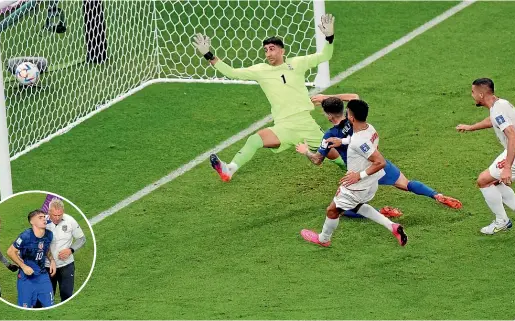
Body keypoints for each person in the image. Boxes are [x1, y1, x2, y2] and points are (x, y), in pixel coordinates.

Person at [192, 14, 347, 182]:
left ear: (282, 50)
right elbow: (232, 72)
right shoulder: (260, 70)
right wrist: (208, 55)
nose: (268, 53)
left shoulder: (297, 63)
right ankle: (230, 169)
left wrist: (329, 37)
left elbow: (325, 55)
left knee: (333, 153)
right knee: (255, 140)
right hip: (283, 126)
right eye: (265, 50)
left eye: (272, 48)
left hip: (305, 123)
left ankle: (351, 170)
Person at [296, 94, 463, 215]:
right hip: (377, 161)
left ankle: (381, 211)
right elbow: (354, 96)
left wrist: (306, 152)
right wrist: (328, 97)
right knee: (406, 184)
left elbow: (317, 160)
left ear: (328, 115)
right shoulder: (358, 121)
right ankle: (436, 195)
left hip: (360, 173)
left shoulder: (329, 136)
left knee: (342, 208)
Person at [301, 99, 408, 247]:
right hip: (373, 180)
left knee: (332, 210)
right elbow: (360, 143)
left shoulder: (357, 141)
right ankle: (392, 227)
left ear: (351, 117)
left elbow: (380, 162)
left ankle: (323, 239)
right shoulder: (370, 129)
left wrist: (359, 175)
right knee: (356, 206)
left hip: (357, 183)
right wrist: (343, 142)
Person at [456, 78, 515, 235]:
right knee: (493, 181)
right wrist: (471, 127)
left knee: (483, 181)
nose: (472, 95)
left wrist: (507, 168)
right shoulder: (500, 104)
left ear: (481, 94)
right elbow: (493, 120)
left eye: (473, 92)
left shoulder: (498, 109)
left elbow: (513, 137)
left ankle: (502, 221)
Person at [7, 210, 56, 308]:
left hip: (42, 276)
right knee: (25, 309)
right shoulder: (26, 236)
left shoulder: (49, 235)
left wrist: (52, 261)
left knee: (50, 307)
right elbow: (10, 251)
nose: (44, 219)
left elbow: (46, 248)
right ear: (32, 222)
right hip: (26, 279)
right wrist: (24, 266)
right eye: (40, 217)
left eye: (44, 217)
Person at [45, 198, 86, 302]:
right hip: (47, 267)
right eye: (55, 215)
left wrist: (70, 250)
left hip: (66, 265)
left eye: (60, 215)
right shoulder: (43, 222)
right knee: (46, 298)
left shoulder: (70, 220)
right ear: (49, 212)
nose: (58, 218)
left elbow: (82, 239)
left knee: (67, 295)